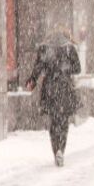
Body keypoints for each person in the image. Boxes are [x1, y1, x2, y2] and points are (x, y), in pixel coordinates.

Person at [25, 30, 81, 167]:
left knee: (54, 122)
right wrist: (65, 68)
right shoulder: (70, 48)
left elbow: (37, 69)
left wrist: (32, 80)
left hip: (49, 88)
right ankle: (61, 149)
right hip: (65, 87)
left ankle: (56, 149)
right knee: (64, 122)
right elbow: (77, 69)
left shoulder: (44, 48)